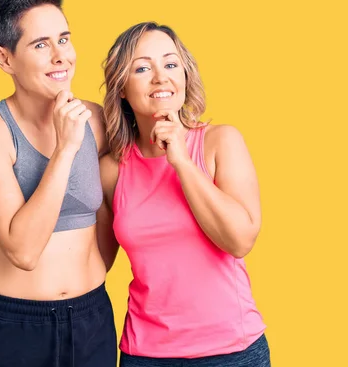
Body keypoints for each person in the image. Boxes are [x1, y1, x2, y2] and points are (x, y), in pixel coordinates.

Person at [0, 0, 117, 367]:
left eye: (64, 38)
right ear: (5, 58)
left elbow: (122, 205)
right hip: (9, 326)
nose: (60, 56)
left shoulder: (97, 120)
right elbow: (24, 252)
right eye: (41, 44)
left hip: (90, 320)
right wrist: (65, 149)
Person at [97, 22, 271, 366]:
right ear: (121, 87)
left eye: (171, 64)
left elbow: (239, 241)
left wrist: (182, 162)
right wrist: (8, 269)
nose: (161, 77)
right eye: (142, 68)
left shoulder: (221, 142)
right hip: (144, 354)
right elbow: (93, 263)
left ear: (185, 76)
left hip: (231, 353)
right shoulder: (112, 170)